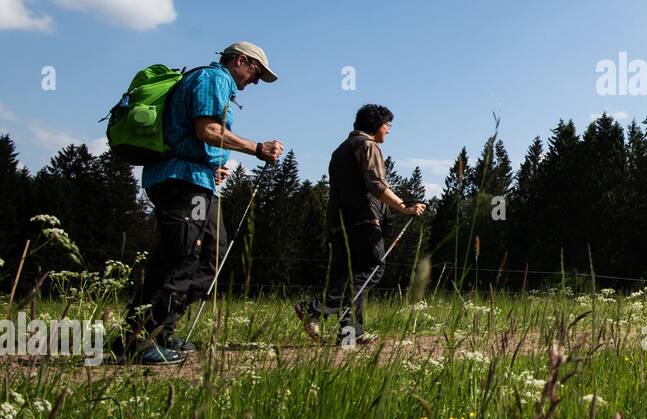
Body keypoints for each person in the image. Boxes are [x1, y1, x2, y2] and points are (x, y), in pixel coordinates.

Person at [120, 42, 284, 364]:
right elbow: (208, 130)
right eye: (256, 73)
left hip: (198, 181)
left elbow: (198, 136)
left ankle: (164, 329)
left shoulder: (214, 82)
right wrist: (257, 148)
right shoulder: (214, 79)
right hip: (184, 182)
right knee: (182, 255)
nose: (254, 82)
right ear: (241, 61)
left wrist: (214, 165)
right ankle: (137, 340)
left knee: (212, 253)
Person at [295, 104, 425, 347]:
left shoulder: (339, 150)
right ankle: (317, 308)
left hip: (338, 221)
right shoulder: (368, 146)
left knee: (350, 273)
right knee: (372, 268)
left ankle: (349, 335)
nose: (388, 130)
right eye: (387, 125)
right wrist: (404, 206)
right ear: (376, 125)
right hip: (362, 219)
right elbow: (376, 186)